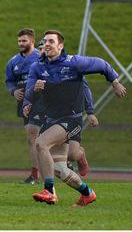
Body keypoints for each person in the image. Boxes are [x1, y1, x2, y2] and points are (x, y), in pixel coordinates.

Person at [23, 30, 126, 206]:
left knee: (41, 144)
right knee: (60, 169)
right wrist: (33, 94)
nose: (46, 44)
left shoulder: (74, 63)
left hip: (71, 118)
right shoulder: (37, 68)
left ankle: (49, 191)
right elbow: (29, 93)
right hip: (51, 119)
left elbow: (101, 64)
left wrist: (115, 81)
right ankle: (87, 193)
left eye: (51, 41)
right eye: (45, 41)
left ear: (60, 46)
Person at [36, 39, 94, 177]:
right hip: (51, 116)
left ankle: (81, 156)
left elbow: (85, 89)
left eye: (44, 48)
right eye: (40, 49)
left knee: (72, 154)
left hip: (71, 116)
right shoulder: (37, 69)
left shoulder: (69, 67)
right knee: (44, 147)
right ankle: (49, 188)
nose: (42, 51)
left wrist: (90, 112)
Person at [5, 29, 43, 185]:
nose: (21, 44)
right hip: (24, 101)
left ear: (32, 42)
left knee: (45, 136)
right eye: (19, 41)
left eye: (24, 41)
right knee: (31, 137)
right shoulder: (13, 62)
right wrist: (13, 91)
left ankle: (70, 159)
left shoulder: (41, 57)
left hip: (42, 99)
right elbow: (9, 81)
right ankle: (35, 175)